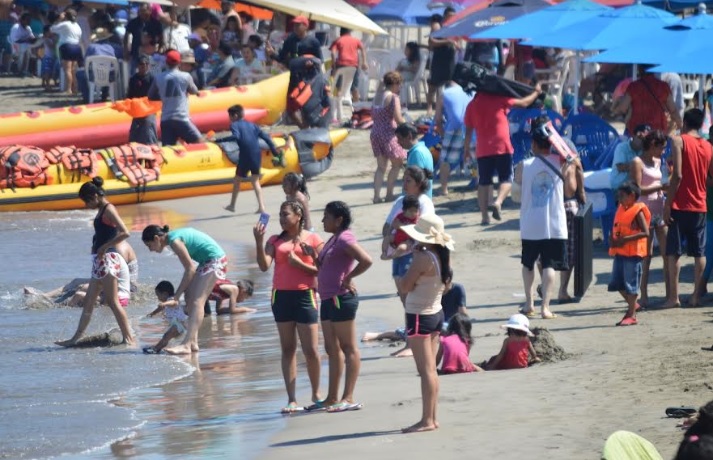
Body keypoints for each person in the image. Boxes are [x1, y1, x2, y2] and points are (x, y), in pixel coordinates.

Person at [254, 200, 324, 413]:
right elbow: (264, 266)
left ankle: (316, 394)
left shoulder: (313, 239)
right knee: (288, 349)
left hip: (305, 295)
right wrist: (259, 241)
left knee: (311, 349)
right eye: (280, 215)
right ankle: (292, 398)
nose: (282, 219)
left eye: (286, 215)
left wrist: (302, 263)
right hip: (281, 296)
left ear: (298, 216)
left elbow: (322, 269)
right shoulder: (274, 241)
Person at [309, 201, 372, 412]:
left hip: (341, 298)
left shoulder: (345, 237)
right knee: (332, 348)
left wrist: (349, 278)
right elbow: (325, 267)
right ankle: (332, 397)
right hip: (326, 298)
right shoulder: (333, 239)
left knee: (348, 347)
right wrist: (312, 255)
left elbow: (366, 260)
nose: (323, 220)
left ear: (339, 220)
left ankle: (348, 396)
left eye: (326, 217)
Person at [55, 178, 134, 347]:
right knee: (89, 303)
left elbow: (125, 232)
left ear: (94, 196)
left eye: (86, 201)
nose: (86, 205)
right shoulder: (101, 211)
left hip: (108, 260)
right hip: (100, 262)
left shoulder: (109, 209)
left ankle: (129, 338)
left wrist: (105, 246)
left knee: (112, 302)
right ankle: (74, 339)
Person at [397, 213, 454, 433]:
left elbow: (404, 286)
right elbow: (446, 285)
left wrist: (409, 263)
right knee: (431, 370)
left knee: (426, 371)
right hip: (435, 312)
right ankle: (432, 417)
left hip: (420, 315)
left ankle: (427, 420)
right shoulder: (441, 255)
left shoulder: (423, 257)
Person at [515, 115, 570, 320]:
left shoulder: (525, 165)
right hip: (554, 224)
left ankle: (529, 303)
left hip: (530, 223)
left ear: (534, 144)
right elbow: (569, 156)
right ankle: (545, 307)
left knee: (528, 264)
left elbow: (517, 185)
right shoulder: (561, 161)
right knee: (549, 265)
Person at [142, 225, 228, 354]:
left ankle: (187, 344)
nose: (150, 250)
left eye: (149, 245)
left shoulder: (174, 241)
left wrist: (176, 297)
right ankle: (193, 342)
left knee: (197, 301)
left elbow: (190, 269)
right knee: (189, 298)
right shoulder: (172, 239)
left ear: (156, 238)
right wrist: (179, 295)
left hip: (215, 260)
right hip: (206, 261)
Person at [464, 83, 542, 225]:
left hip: (483, 148)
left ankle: (484, 217)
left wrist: (465, 151)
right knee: (506, 179)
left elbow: (468, 131)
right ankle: (498, 202)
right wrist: (536, 92)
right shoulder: (499, 99)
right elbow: (524, 103)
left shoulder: (472, 105)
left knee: (484, 182)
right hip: (502, 145)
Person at [664, 108, 713, 308]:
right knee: (699, 253)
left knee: (674, 252)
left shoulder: (678, 141)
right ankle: (695, 296)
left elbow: (678, 175)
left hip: (680, 203)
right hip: (700, 204)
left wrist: (668, 203)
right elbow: (711, 179)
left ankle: (673, 298)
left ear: (684, 122)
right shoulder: (709, 146)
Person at [630, 130, 669, 307]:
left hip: (659, 209)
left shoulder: (658, 161)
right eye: (661, 148)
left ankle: (670, 294)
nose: (663, 152)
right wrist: (660, 186)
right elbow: (637, 190)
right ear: (653, 145)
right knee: (646, 256)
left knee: (667, 253)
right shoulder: (637, 162)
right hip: (644, 212)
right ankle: (643, 295)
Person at [223, 104, 279, 214]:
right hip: (256, 154)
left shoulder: (234, 125)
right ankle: (261, 206)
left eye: (229, 116)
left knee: (237, 180)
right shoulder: (253, 125)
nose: (229, 118)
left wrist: (221, 140)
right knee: (255, 181)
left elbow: (236, 137)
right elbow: (267, 138)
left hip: (245, 156)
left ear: (234, 115)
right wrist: (274, 151)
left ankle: (232, 205)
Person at [608, 182, 651, 326]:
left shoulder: (637, 211)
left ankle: (631, 314)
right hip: (620, 252)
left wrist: (625, 239)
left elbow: (646, 232)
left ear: (632, 196)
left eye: (622, 196)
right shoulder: (621, 208)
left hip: (633, 254)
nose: (619, 199)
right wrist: (613, 239)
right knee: (616, 283)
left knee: (631, 284)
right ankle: (633, 305)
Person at [147, 49, 203, 146]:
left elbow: (150, 96)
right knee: (199, 142)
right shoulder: (186, 76)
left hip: (166, 119)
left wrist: (163, 97)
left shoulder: (158, 77)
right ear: (179, 62)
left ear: (166, 62)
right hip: (181, 118)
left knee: (168, 149)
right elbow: (194, 91)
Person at [614, 65, 682, 136]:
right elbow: (673, 110)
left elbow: (622, 108)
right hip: (657, 133)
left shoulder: (634, 86)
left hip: (638, 132)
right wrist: (680, 124)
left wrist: (617, 103)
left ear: (639, 70)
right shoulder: (663, 86)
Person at [371, 71, 407, 204]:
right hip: (388, 132)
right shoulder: (393, 97)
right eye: (399, 85)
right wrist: (408, 125)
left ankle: (376, 196)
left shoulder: (377, 96)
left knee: (381, 167)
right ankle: (389, 194)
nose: (400, 88)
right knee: (397, 163)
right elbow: (398, 118)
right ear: (395, 83)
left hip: (375, 132)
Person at [434, 80, 474, 196]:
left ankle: (444, 188)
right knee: (473, 157)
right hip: (471, 124)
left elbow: (438, 119)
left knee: (445, 160)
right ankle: (476, 180)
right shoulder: (470, 91)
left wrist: (442, 134)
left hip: (454, 126)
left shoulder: (443, 94)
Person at [558, 138, 586, 304]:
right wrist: (582, 193)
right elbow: (579, 170)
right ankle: (562, 290)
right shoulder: (571, 157)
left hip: (548, 209)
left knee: (544, 251)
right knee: (570, 250)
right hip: (568, 204)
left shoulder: (543, 156)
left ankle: (545, 284)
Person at [143, 280, 188, 354]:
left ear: (165, 294)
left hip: (179, 324)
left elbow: (174, 303)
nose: (158, 298)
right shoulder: (166, 302)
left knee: (166, 336)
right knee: (166, 337)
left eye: (158, 295)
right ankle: (158, 347)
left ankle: (156, 349)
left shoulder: (172, 299)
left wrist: (165, 303)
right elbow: (160, 308)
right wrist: (152, 313)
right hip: (176, 324)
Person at [426, 12, 457, 118]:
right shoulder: (437, 25)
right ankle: (429, 107)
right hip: (439, 58)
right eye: (451, 15)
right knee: (433, 85)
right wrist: (447, 41)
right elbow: (431, 42)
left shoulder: (456, 25)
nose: (453, 17)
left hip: (450, 59)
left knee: (448, 84)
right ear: (445, 16)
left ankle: (442, 108)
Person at [329, 27, 367, 113]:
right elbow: (362, 49)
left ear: (340, 32)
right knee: (354, 88)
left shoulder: (338, 40)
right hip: (353, 66)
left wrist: (334, 67)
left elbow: (333, 53)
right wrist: (364, 62)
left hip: (341, 65)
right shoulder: (355, 40)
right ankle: (357, 109)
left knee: (339, 88)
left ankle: (338, 112)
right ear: (349, 32)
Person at [396, 122, 434, 198]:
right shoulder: (423, 149)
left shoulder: (417, 153)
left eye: (400, 138)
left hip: (416, 201)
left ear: (409, 136)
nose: (398, 142)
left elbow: (416, 181)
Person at [127, 54, 158, 145]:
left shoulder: (152, 78)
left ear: (148, 65)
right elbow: (130, 95)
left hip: (149, 108)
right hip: (137, 109)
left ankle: (151, 145)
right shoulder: (133, 79)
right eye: (141, 64)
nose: (144, 66)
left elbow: (156, 95)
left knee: (148, 128)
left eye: (146, 64)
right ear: (138, 66)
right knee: (134, 132)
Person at [124, 3, 163, 74]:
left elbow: (161, 37)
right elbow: (126, 36)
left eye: (144, 10)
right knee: (134, 75)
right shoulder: (133, 22)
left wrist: (159, 49)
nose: (141, 12)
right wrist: (126, 51)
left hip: (151, 54)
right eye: (140, 10)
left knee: (153, 75)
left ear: (150, 11)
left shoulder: (156, 23)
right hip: (136, 54)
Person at [610, 124, 651, 191]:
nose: (642, 140)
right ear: (633, 135)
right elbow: (620, 167)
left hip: (635, 186)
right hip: (620, 187)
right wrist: (639, 164)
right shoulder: (622, 147)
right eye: (640, 137)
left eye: (645, 139)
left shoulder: (645, 150)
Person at [51, 9, 82, 95]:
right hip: (77, 47)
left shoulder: (65, 24)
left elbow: (52, 29)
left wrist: (59, 19)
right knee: (74, 70)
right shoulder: (77, 26)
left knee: (67, 70)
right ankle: (75, 88)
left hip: (67, 47)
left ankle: (68, 89)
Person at [381, 194, 419, 260]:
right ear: (404, 210)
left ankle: (392, 256)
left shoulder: (416, 219)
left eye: (415, 211)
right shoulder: (400, 215)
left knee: (402, 247)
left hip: (407, 240)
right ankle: (384, 252)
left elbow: (413, 229)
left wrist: (401, 225)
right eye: (411, 211)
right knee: (386, 238)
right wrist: (389, 233)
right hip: (397, 236)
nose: (413, 213)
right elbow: (393, 224)